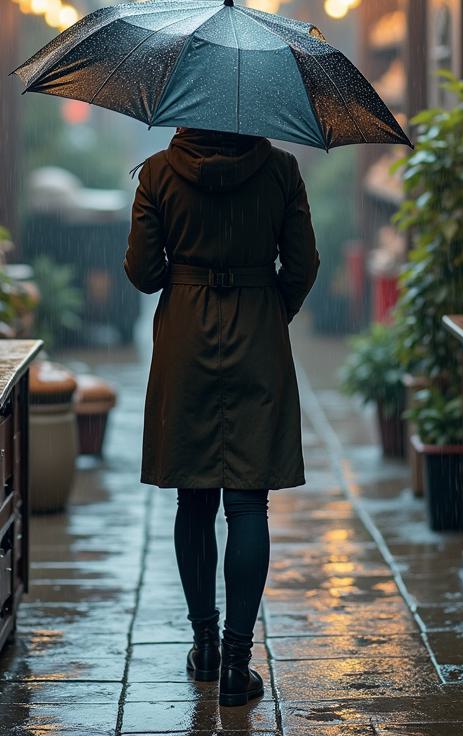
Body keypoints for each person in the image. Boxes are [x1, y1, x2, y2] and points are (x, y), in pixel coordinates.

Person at [124, 125, 320, 708]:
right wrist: (269, 306)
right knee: (247, 501)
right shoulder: (281, 169)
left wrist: (183, 266)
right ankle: (238, 666)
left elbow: (143, 272)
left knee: (194, 498)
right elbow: (304, 263)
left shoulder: (158, 171)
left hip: (185, 331)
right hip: (258, 327)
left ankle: (204, 646)